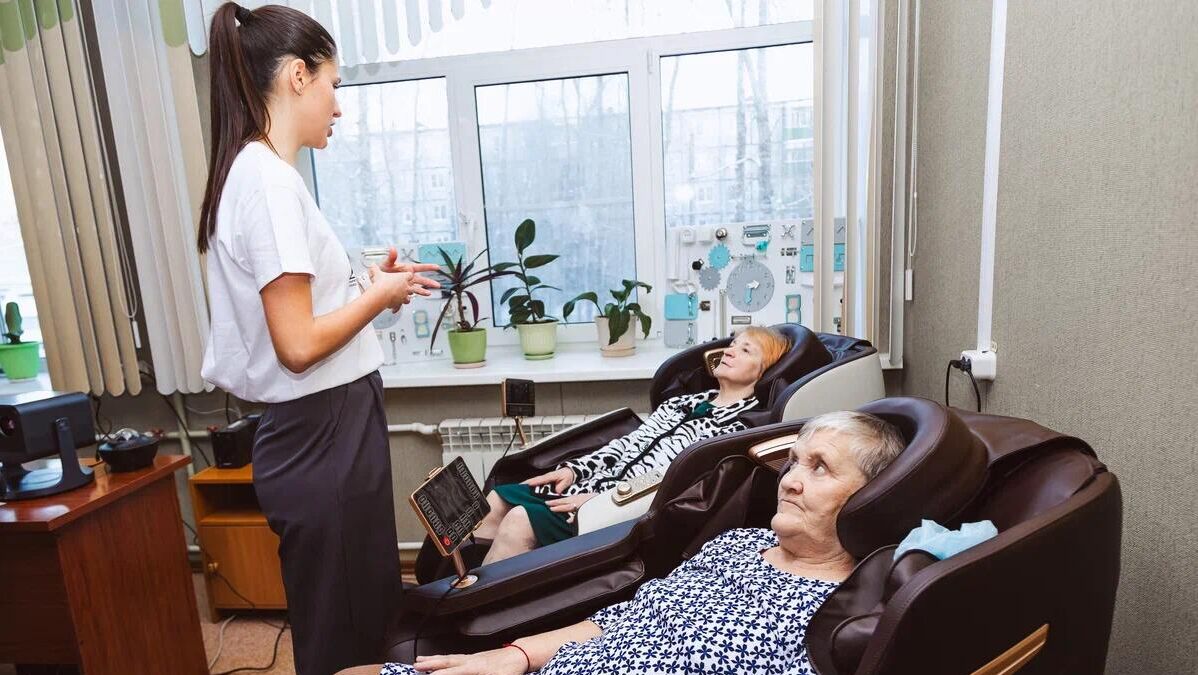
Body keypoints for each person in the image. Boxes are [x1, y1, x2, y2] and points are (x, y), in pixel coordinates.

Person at [197, 4, 440, 673]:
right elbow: (298, 344)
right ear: (297, 76)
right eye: (333, 84)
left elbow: (305, 318)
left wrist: (372, 288)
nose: (338, 105)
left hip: (325, 426)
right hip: (322, 431)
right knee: (348, 633)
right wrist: (378, 297)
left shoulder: (258, 175)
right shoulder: (267, 183)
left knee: (359, 613)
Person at [337, 410, 906, 675]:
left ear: (876, 495)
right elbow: (620, 621)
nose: (791, 480)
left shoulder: (837, 613)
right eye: (794, 462)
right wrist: (510, 656)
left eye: (820, 468)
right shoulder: (735, 543)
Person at [478, 326, 792, 565]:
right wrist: (574, 471)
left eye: (746, 350)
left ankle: (479, 614)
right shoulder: (680, 403)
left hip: (620, 510)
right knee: (497, 499)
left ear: (764, 372)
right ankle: (461, 588)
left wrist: (603, 501)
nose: (730, 351)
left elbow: (675, 482)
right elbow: (626, 444)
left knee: (519, 520)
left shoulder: (736, 428)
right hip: (592, 485)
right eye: (732, 344)